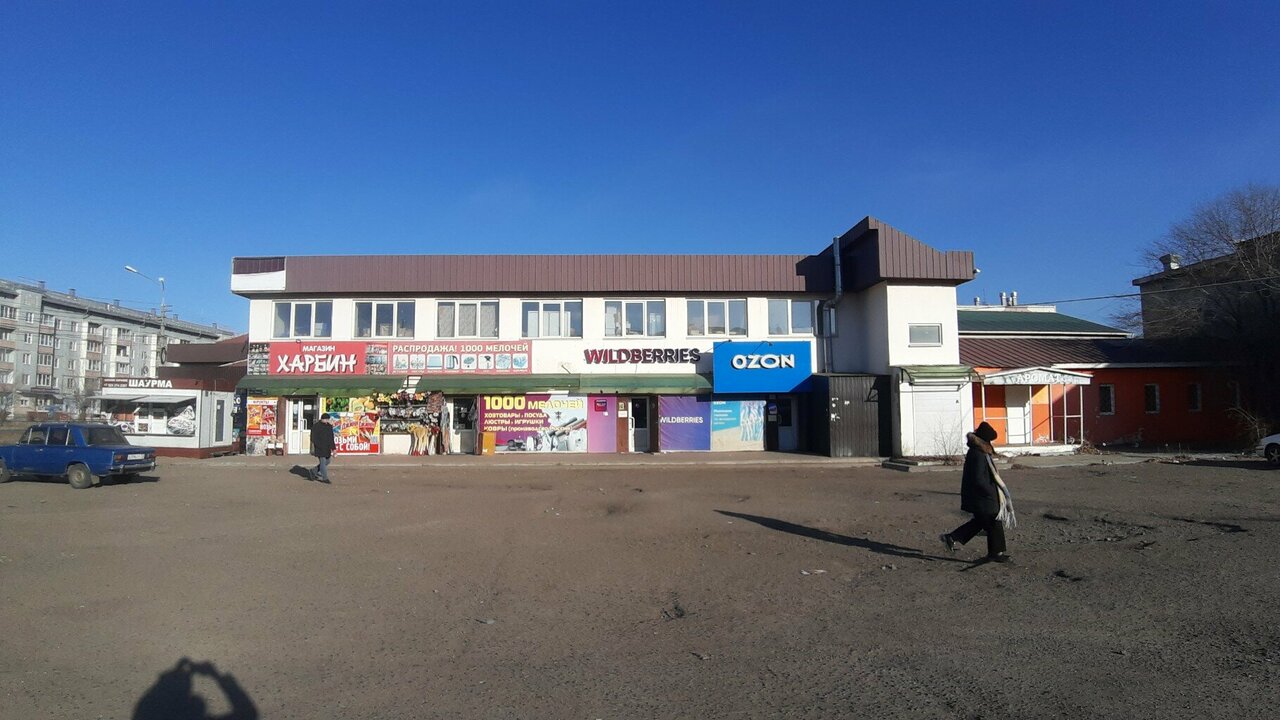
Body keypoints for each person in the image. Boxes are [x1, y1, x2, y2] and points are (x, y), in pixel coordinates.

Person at [940, 421, 1012, 563]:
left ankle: (952, 538)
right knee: (992, 520)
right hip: (981, 495)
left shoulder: (979, 452)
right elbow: (978, 478)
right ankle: (995, 553)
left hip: (980, 495)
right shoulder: (978, 454)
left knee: (982, 521)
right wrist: (991, 491)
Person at [309, 414, 336, 484]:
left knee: (328, 461)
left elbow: (331, 438)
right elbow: (313, 437)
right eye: (326, 419)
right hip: (320, 448)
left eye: (328, 419)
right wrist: (318, 445)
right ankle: (325, 478)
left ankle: (313, 471)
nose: (327, 421)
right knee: (323, 462)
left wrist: (333, 449)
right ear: (322, 419)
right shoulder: (316, 426)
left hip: (327, 448)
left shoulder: (329, 426)